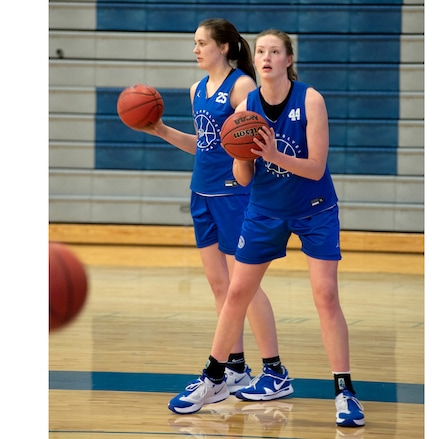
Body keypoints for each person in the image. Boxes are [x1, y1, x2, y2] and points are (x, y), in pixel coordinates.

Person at [167, 29, 366, 428]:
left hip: (314, 208)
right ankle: (213, 376)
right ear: (254, 59)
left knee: (325, 295)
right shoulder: (247, 109)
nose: (267, 57)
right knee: (237, 291)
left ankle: (344, 391)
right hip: (265, 209)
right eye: (261, 51)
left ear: (288, 59)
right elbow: (243, 178)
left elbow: (315, 168)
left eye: (275, 51)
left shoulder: (310, 99)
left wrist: (274, 154)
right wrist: (239, 156)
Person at [134, 18, 294, 403]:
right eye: (195, 43)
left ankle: (275, 370)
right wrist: (161, 131)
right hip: (201, 194)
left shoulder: (242, 86)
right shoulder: (195, 90)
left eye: (202, 42)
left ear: (223, 47)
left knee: (245, 286)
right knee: (220, 286)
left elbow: (249, 140)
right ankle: (236, 368)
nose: (196, 49)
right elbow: (206, 145)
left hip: (234, 195)